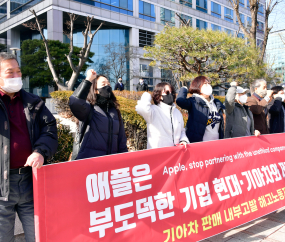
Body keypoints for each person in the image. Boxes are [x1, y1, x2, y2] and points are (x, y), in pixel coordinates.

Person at [0, 53, 58, 242]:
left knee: (39, 236)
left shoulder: (34, 102)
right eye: (10, 72)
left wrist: (40, 151)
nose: (17, 76)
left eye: (18, 71)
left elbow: (49, 128)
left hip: (30, 180)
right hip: (2, 184)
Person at [69, 69, 128, 159]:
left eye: (108, 84)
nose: (107, 86)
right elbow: (75, 102)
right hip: (89, 163)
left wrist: (124, 160)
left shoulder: (115, 111)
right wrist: (88, 79)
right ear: (95, 90)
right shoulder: (89, 108)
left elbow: (122, 140)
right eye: (103, 84)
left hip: (111, 164)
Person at [135, 82, 189, 149]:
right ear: (159, 96)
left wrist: (183, 140)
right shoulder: (153, 111)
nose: (170, 94)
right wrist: (147, 95)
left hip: (176, 154)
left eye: (172, 92)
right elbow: (141, 108)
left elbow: (182, 131)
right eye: (167, 92)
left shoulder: (177, 112)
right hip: (158, 155)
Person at [176, 76, 225, 143]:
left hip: (216, 143)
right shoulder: (194, 101)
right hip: (199, 144)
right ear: (198, 86)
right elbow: (180, 101)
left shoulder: (216, 103)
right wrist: (184, 89)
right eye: (205, 83)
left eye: (209, 83)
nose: (208, 85)